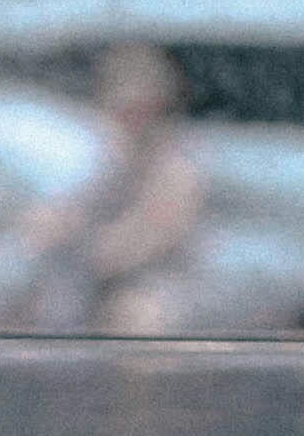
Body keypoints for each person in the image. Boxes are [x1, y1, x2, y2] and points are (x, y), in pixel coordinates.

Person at [69, 43, 211, 331]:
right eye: (122, 109)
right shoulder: (99, 160)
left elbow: (134, 246)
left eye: (141, 109)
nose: (132, 120)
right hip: (94, 288)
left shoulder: (178, 167)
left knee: (138, 316)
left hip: (164, 286)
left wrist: (74, 236)